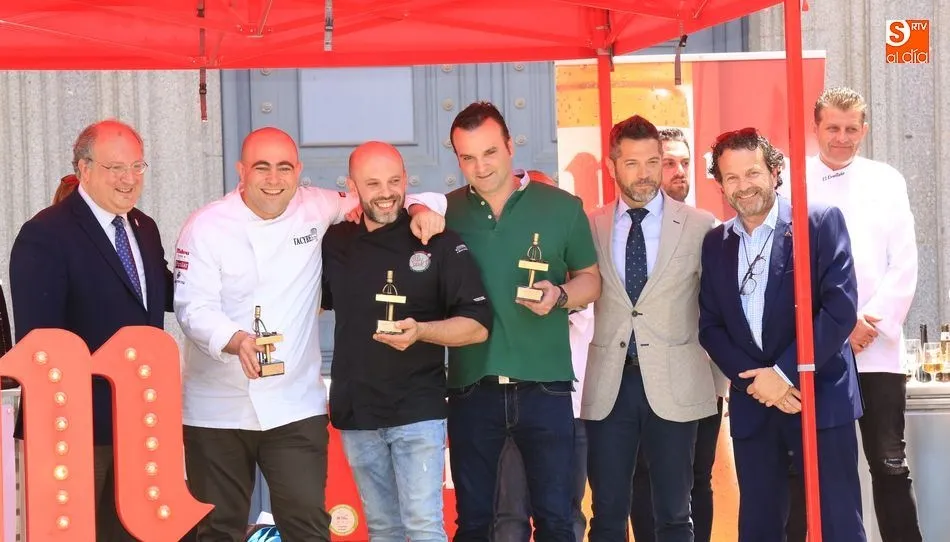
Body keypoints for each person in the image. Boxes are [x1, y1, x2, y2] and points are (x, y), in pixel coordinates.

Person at [173, 127, 447, 541]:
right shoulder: (206, 226)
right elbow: (192, 307)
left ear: (299, 171)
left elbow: (381, 196)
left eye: (284, 168)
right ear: (241, 171)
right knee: (217, 530)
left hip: (294, 406)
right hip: (217, 409)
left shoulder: (316, 205)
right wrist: (236, 340)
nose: (274, 178)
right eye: (262, 168)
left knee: (307, 528)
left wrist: (423, 205)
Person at [444, 101, 601, 542]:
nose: (481, 167)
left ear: (511, 146)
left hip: (545, 385)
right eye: (468, 157)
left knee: (556, 520)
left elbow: (591, 280)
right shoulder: (445, 212)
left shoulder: (562, 207)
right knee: (473, 523)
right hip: (471, 386)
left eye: (490, 152)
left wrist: (561, 296)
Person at [698, 128, 865, 541]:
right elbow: (711, 327)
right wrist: (757, 383)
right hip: (755, 405)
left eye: (752, 173)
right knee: (759, 527)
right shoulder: (715, 242)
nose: (744, 186)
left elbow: (840, 310)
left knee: (837, 524)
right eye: (732, 177)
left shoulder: (818, 222)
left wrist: (785, 374)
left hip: (818, 397)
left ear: (775, 173)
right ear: (720, 185)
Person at [9, 119, 173, 541]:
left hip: (140, 426)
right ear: (83, 169)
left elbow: (167, 297)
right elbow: (41, 345)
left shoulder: (144, 228)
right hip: (75, 431)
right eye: (116, 168)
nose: (129, 179)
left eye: (137, 166)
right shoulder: (46, 234)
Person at [321, 141, 493, 542]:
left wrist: (422, 332)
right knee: (383, 531)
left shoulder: (436, 239)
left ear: (406, 180)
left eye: (395, 181)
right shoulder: (335, 241)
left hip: (418, 409)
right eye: (373, 183)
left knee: (423, 527)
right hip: (356, 412)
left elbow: (477, 326)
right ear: (352, 187)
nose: (386, 192)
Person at [777, 86, 921, 542]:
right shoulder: (791, 181)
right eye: (833, 128)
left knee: (890, 465)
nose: (842, 138)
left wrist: (869, 321)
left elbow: (905, 262)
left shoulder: (887, 180)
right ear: (816, 128)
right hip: (819, 350)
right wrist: (838, 327)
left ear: (865, 130)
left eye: (851, 129)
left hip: (877, 349)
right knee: (808, 466)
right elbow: (788, 267)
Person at [581, 115, 719, 542]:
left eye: (653, 162)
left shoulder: (700, 225)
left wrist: (721, 383)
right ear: (612, 166)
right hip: (610, 386)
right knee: (607, 515)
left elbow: (717, 308)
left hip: (676, 384)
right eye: (632, 163)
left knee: (675, 515)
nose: (645, 174)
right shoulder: (590, 225)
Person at [628, 126, 727, 542]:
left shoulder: (708, 228)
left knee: (697, 476)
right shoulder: (622, 228)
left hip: (700, 374)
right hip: (638, 375)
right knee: (642, 475)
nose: (679, 171)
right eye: (668, 162)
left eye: (684, 162)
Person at [493, 170, 594, 542]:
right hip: (509, 405)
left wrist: (560, 297)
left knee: (565, 517)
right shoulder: (503, 281)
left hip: (573, 415)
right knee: (509, 520)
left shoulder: (588, 279)